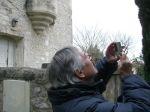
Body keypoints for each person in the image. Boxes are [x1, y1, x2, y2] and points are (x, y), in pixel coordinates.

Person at [47, 43, 150, 112]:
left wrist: (107, 62)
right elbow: (142, 108)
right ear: (80, 72)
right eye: (85, 57)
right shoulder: (88, 108)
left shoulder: (68, 97)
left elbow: (90, 87)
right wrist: (128, 75)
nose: (89, 55)